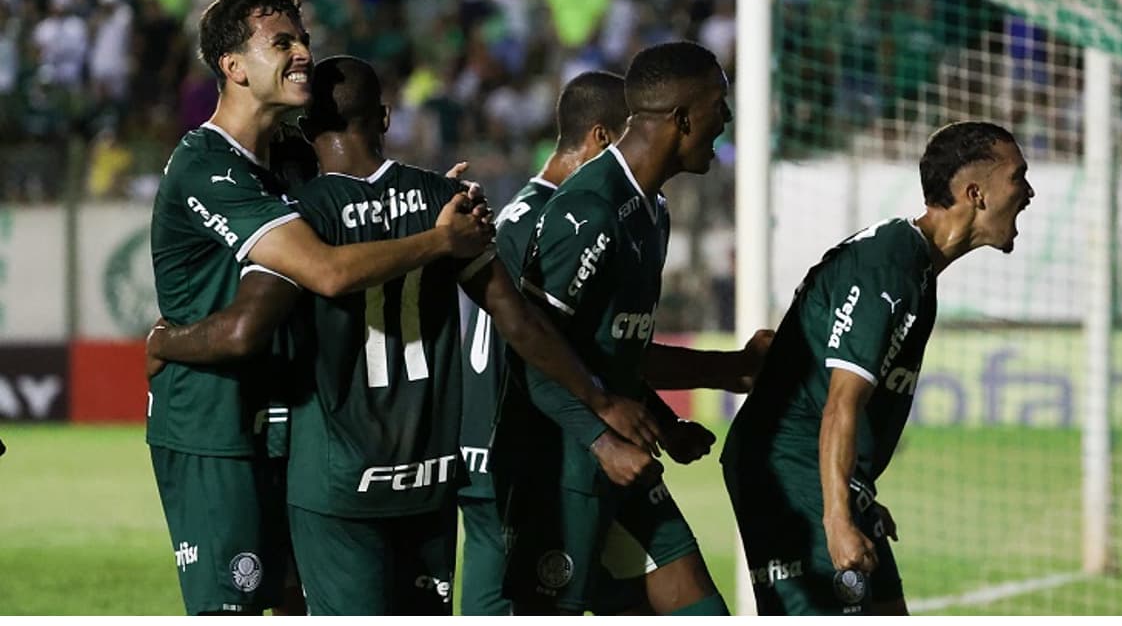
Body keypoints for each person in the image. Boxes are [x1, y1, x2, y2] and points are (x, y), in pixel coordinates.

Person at [148, 55, 662, 615]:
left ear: (305, 127)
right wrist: (599, 400)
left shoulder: (301, 218)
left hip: (337, 482)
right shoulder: (447, 207)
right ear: (386, 118)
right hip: (429, 476)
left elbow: (248, 328)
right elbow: (520, 322)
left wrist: (164, 341)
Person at [147, 0, 492, 616]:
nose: (303, 52)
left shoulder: (292, 159)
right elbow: (327, 272)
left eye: (302, 39)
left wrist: (420, 208)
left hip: (290, 427)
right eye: (281, 43)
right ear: (233, 67)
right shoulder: (207, 166)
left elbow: (360, 217)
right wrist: (437, 239)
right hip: (214, 428)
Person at [458, 69, 764, 615]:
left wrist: (664, 420)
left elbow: (609, 350)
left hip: (605, 441)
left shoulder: (650, 211)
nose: (729, 120)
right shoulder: (571, 215)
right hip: (541, 455)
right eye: (719, 104)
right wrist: (601, 434)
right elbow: (530, 351)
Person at [720, 120, 1034, 615]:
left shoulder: (915, 269)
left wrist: (852, 491)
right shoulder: (888, 267)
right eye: (1019, 177)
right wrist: (836, 517)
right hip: (788, 470)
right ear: (976, 193)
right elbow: (840, 403)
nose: (1029, 192)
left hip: (826, 476)